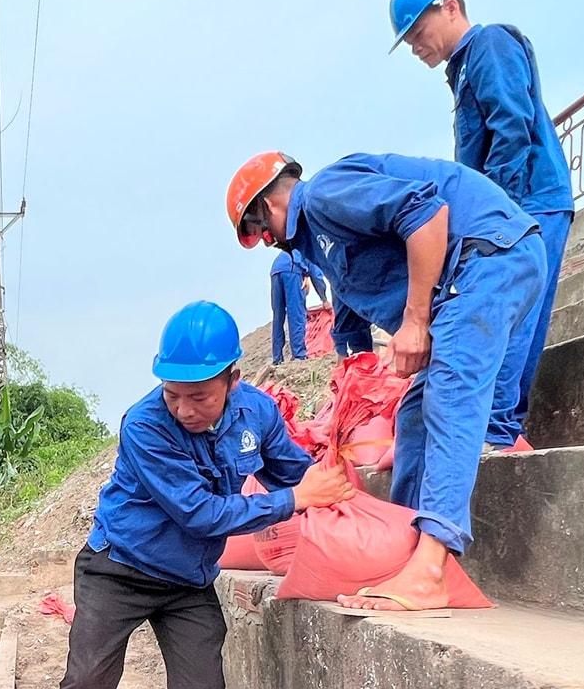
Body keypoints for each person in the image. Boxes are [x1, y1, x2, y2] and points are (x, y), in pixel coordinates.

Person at [46, 301, 354, 689]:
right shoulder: (144, 426)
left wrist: (333, 486)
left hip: (187, 581)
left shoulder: (255, 413)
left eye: (200, 395)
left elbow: (288, 469)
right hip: (119, 568)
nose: (185, 408)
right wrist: (294, 502)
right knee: (88, 678)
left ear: (233, 380)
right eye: (173, 394)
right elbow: (201, 514)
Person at [226, 150, 545, 611]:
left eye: (261, 232)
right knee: (414, 418)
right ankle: (404, 550)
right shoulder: (323, 239)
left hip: (486, 257)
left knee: (450, 398)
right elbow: (353, 304)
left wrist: (415, 323)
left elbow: (426, 213)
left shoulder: (322, 195)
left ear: (267, 209)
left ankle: (432, 567)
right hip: (470, 274)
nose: (271, 242)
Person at [390, 0, 574, 447]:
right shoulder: (464, 69)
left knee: (510, 317)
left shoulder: (489, 44)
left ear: (450, 8)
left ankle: (497, 431)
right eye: (408, 40)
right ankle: (499, 426)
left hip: (528, 205)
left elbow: (511, 128)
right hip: (517, 210)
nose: (415, 47)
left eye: (417, 32)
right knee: (507, 315)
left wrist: (497, 217)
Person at [267, 247, 326, 363]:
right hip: (292, 269)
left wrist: (306, 276)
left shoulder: (294, 247)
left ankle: (277, 358)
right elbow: (317, 276)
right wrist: (324, 299)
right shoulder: (311, 251)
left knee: (278, 317)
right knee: (296, 314)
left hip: (275, 270)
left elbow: (309, 274)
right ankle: (299, 355)